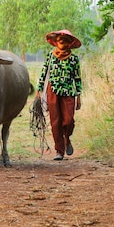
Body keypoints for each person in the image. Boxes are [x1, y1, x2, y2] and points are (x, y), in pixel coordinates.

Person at [35, 29, 82, 161]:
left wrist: (79, 97)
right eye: (60, 41)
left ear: (69, 44)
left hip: (69, 92)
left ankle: (67, 138)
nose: (62, 43)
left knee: (68, 120)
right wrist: (38, 91)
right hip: (53, 91)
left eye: (65, 41)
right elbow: (43, 74)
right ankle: (59, 151)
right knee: (55, 122)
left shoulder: (74, 59)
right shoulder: (50, 56)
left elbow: (77, 78)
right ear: (56, 43)